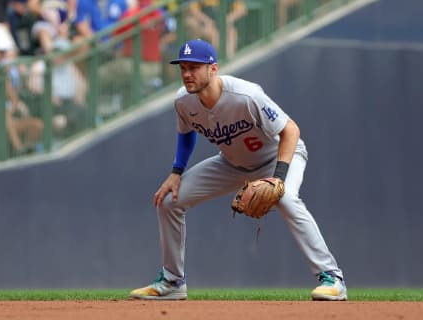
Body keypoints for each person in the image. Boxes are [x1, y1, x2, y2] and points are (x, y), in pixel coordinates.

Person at [129, 39, 347, 301]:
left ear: (213, 69)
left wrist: (277, 179)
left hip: (276, 156)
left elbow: (291, 130)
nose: (187, 73)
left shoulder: (246, 95)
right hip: (231, 163)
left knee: (286, 197)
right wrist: (176, 172)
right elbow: (186, 134)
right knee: (168, 201)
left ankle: (332, 277)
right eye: (183, 67)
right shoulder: (184, 101)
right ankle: (173, 281)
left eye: (194, 67)